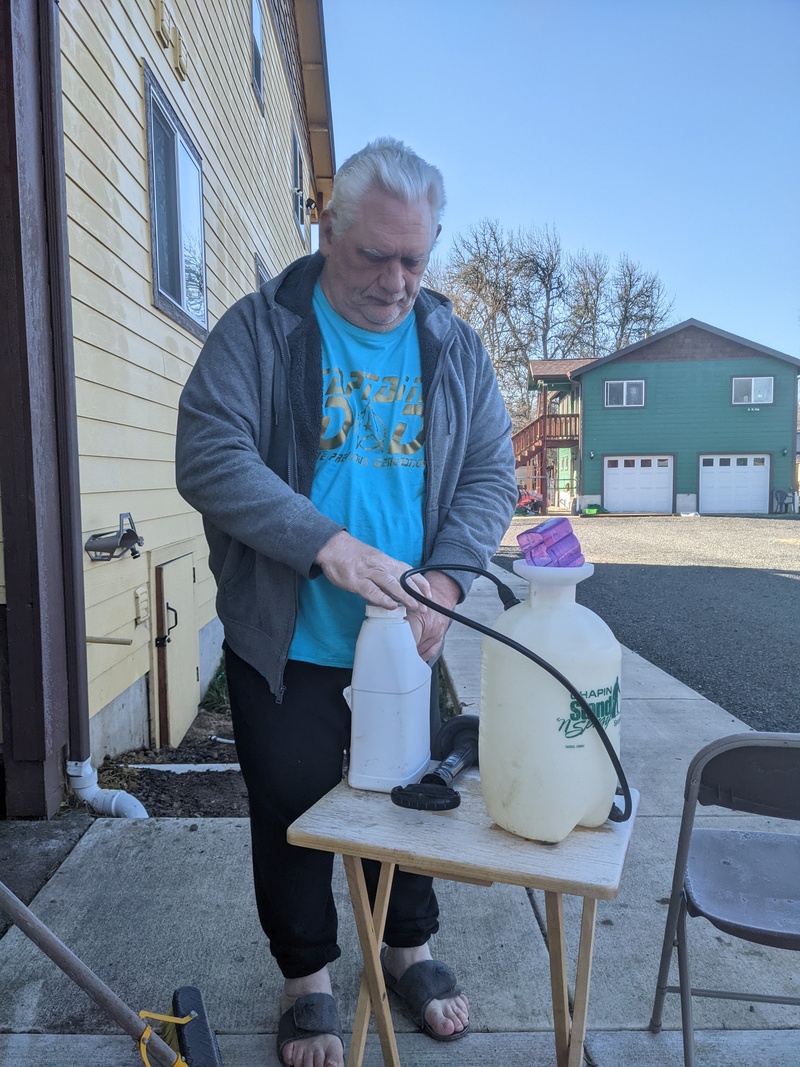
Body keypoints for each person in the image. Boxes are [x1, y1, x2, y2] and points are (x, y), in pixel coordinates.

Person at [176, 137, 517, 1067]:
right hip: (288, 634)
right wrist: (322, 542)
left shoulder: (452, 344)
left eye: (417, 257)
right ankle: (309, 979)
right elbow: (209, 452)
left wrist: (447, 577)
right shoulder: (261, 328)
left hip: (407, 635)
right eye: (376, 256)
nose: (399, 280)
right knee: (291, 802)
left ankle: (409, 951)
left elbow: (492, 473)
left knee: (405, 801)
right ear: (329, 230)